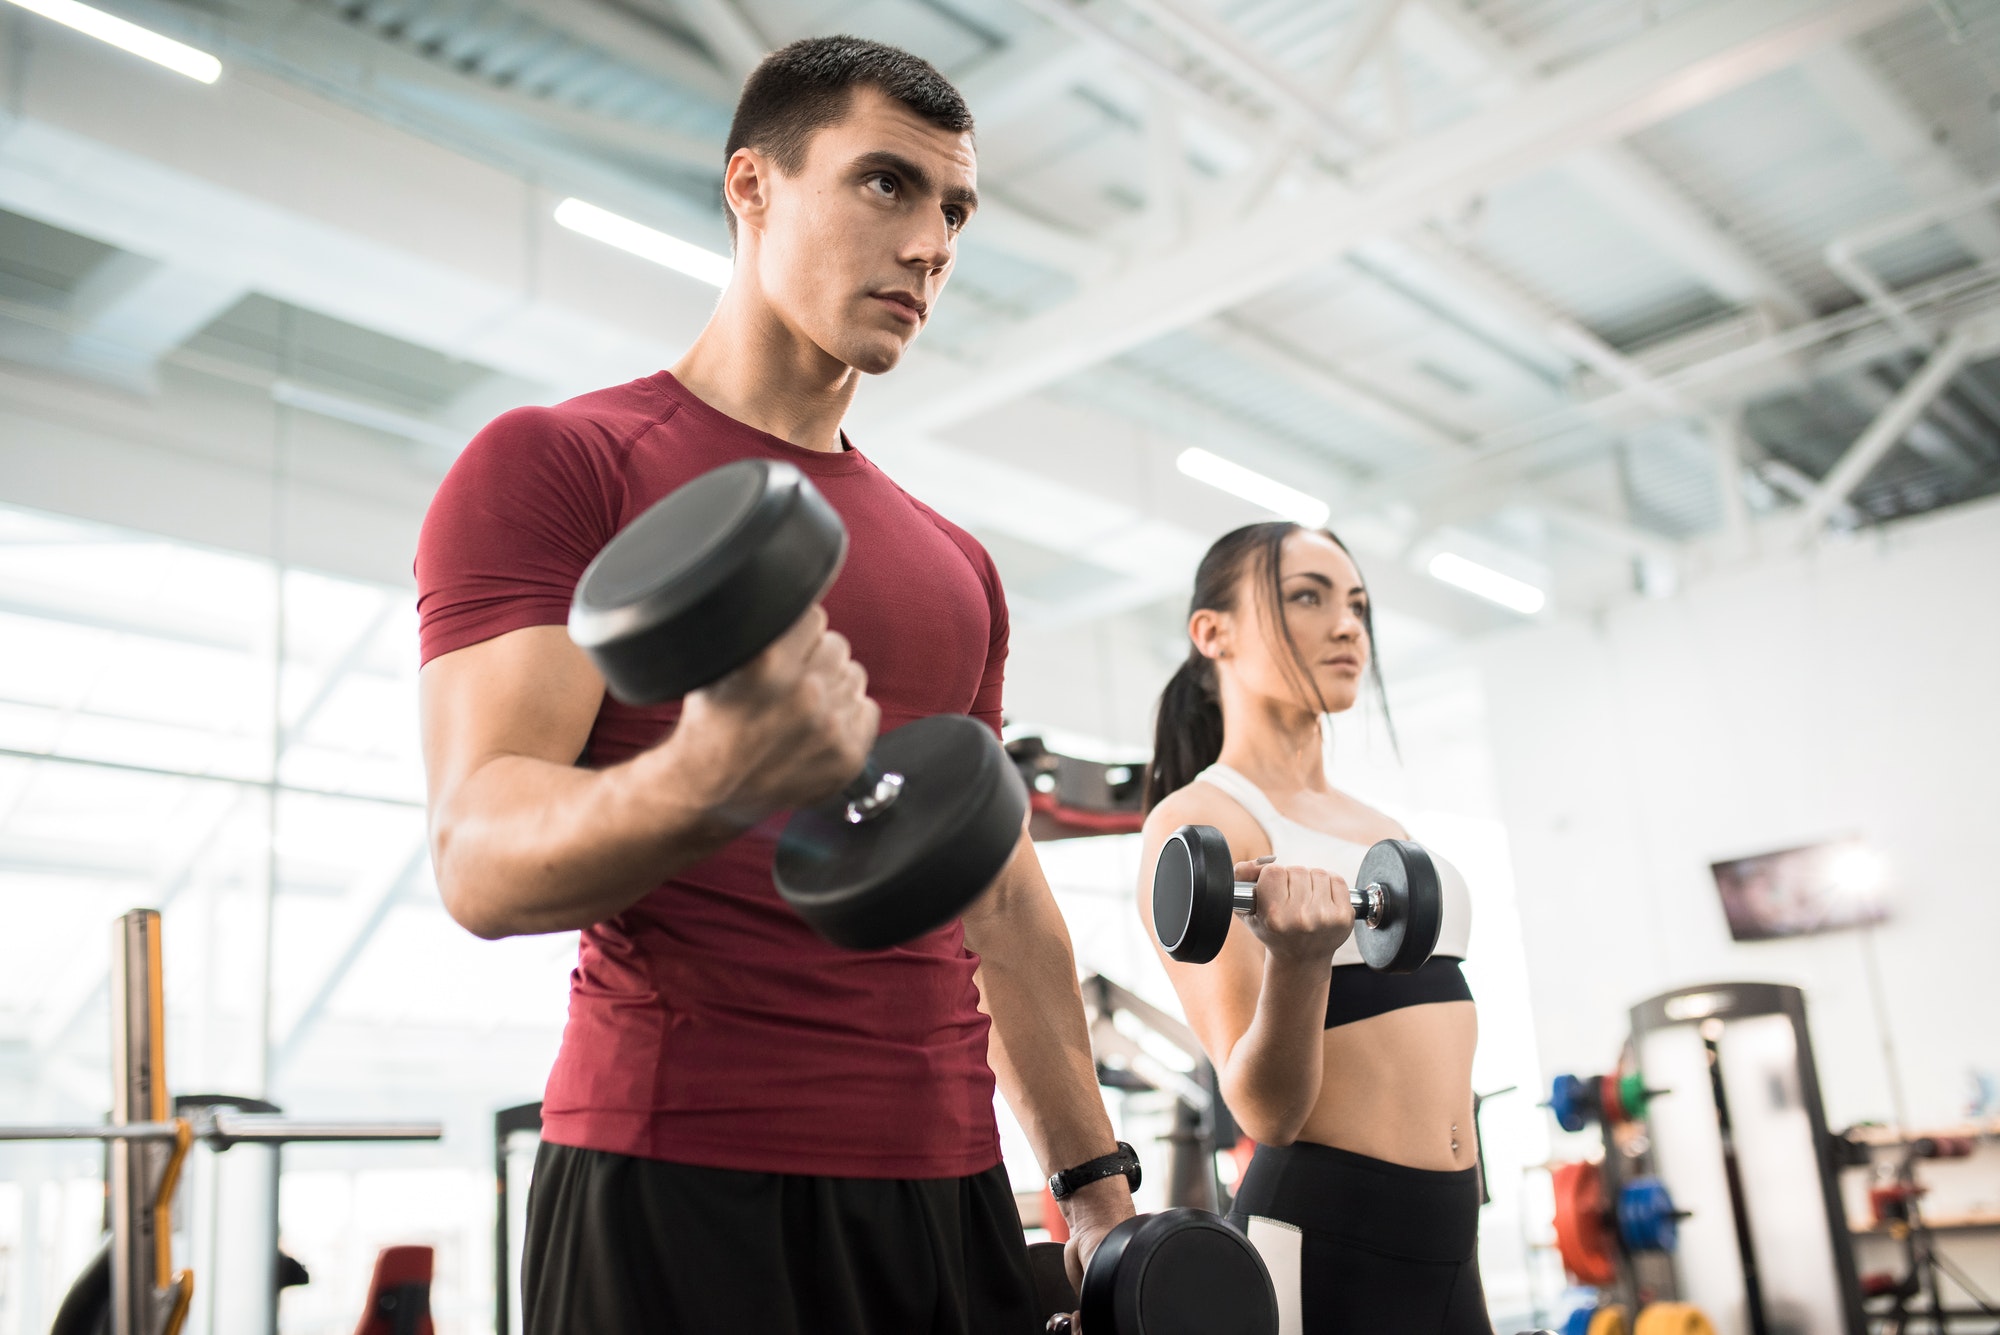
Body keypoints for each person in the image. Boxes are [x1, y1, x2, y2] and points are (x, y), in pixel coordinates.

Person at [415, 37, 1133, 1335]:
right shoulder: (563, 464)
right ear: (751, 183)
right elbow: (478, 855)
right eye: (885, 185)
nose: (930, 246)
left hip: (947, 1193)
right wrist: (708, 771)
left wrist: (1091, 1186)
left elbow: (1003, 898)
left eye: (954, 208)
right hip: (677, 1175)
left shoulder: (955, 562)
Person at [1137, 522, 1488, 1334]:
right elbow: (1265, 1110)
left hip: (1448, 1232)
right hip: (1327, 1234)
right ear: (1211, 632)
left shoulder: (1380, 822)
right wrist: (1299, 962)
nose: (1347, 626)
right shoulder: (1202, 822)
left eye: (1358, 606)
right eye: (1307, 596)